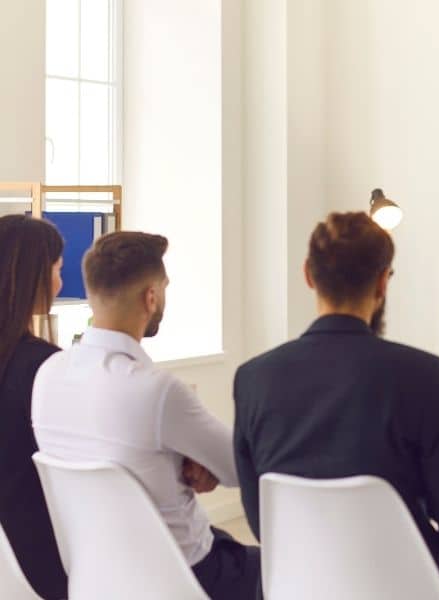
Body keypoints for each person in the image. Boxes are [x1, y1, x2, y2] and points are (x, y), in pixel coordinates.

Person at [234, 212, 439, 600]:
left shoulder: (252, 378)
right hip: (407, 584)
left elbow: (262, 515)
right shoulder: (420, 374)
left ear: (308, 276)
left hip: (300, 584)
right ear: (383, 282)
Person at [31, 231, 260, 599]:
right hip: (183, 579)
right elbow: (240, 466)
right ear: (150, 297)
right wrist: (201, 462)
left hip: (96, 579)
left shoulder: (48, 375)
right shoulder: (157, 390)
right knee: (288, 570)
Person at [0, 215, 67, 599]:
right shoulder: (43, 365)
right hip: (37, 553)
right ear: (36, 277)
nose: (60, 282)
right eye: (57, 269)